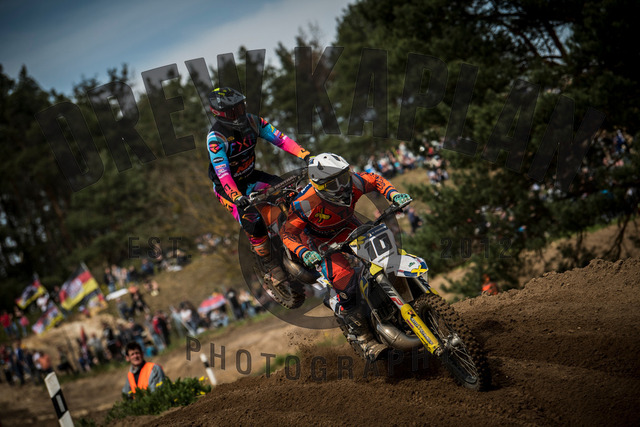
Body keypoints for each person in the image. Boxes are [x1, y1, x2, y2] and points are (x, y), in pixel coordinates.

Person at [280, 153, 412, 360]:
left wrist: (394, 194)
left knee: (387, 258)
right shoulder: (305, 203)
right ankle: (365, 339)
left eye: (344, 177)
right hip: (319, 241)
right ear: (321, 186)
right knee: (346, 283)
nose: (343, 185)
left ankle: (403, 302)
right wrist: (304, 252)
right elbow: (287, 233)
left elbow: (375, 179)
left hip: (348, 226)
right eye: (336, 183)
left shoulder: (354, 182)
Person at [206, 87, 312, 286]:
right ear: (221, 114)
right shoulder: (216, 139)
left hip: (251, 176)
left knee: (290, 193)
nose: (240, 113)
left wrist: (306, 155)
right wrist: (236, 197)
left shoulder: (254, 122)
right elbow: (223, 173)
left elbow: (281, 139)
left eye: (241, 107)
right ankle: (270, 265)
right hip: (228, 188)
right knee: (252, 220)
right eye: (234, 111)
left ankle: (304, 236)